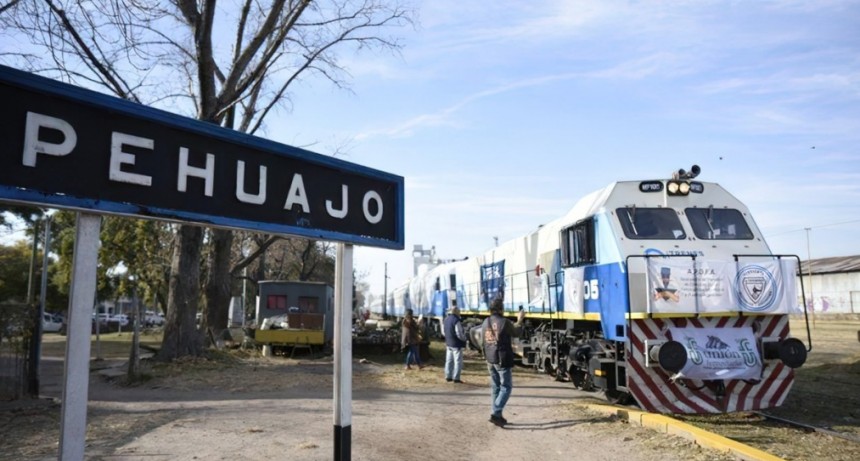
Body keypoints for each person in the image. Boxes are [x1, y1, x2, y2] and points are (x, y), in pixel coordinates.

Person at [481, 297, 525, 427]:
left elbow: (482, 342)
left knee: (496, 387)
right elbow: (517, 332)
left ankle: (498, 416)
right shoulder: (504, 322)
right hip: (501, 358)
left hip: (490, 358)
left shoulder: (485, 322)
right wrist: (520, 319)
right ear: (501, 309)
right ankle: (495, 412)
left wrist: (485, 356)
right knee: (506, 387)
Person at [443, 301, 467, 383]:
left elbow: (443, 331)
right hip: (456, 344)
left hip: (448, 343)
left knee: (449, 360)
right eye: (459, 311)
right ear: (457, 312)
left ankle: (448, 376)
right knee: (457, 361)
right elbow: (459, 333)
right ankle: (456, 378)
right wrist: (464, 339)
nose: (460, 313)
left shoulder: (446, 319)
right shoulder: (456, 320)